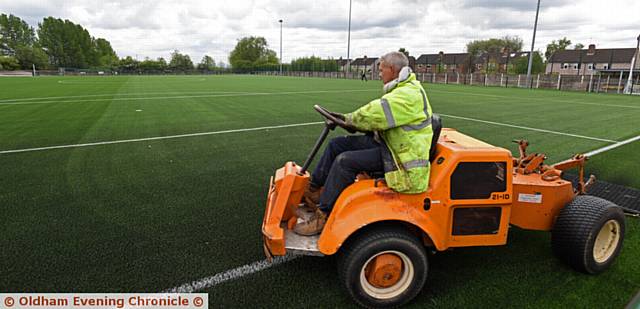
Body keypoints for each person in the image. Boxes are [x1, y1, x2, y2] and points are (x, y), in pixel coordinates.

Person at [294, 51, 435, 236]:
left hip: (402, 159)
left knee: (345, 161)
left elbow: (376, 112)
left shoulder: (408, 94)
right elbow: (376, 118)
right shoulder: (402, 88)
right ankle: (314, 191)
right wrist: (347, 120)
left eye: (381, 69)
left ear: (392, 70)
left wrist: (349, 120)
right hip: (391, 145)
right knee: (336, 144)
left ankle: (323, 215)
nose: (378, 74)